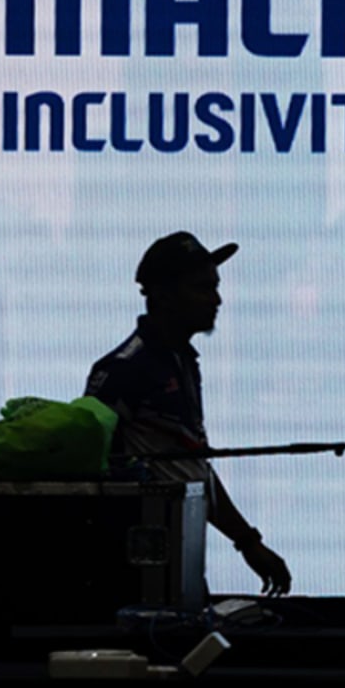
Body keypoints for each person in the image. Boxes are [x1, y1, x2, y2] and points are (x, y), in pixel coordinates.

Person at [86, 231, 292, 596]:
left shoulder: (182, 362)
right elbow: (95, 473)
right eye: (202, 288)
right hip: (136, 576)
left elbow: (193, 465)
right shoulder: (124, 370)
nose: (217, 299)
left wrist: (247, 541)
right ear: (163, 296)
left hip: (177, 560)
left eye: (215, 286)